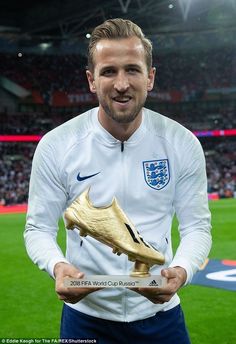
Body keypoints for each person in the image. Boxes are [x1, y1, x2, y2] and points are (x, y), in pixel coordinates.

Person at [24, 18, 212, 344]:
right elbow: (37, 229)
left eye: (133, 70)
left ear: (150, 77)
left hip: (161, 320)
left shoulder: (182, 143)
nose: (121, 83)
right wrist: (57, 266)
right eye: (109, 71)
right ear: (91, 81)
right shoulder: (57, 145)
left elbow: (197, 227)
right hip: (85, 320)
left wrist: (181, 271)